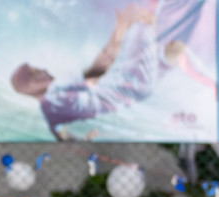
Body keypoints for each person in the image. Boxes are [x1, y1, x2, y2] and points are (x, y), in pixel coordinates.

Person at [11, 3, 186, 138]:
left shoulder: (49, 114)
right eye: (37, 70)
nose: (43, 69)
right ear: (32, 82)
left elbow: (61, 136)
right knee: (143, 22)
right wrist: (121, 27)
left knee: (173, 48)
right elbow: (100, 68)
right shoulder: (55, 90)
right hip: (131, 82)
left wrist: (84, 140)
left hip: (135, 94)